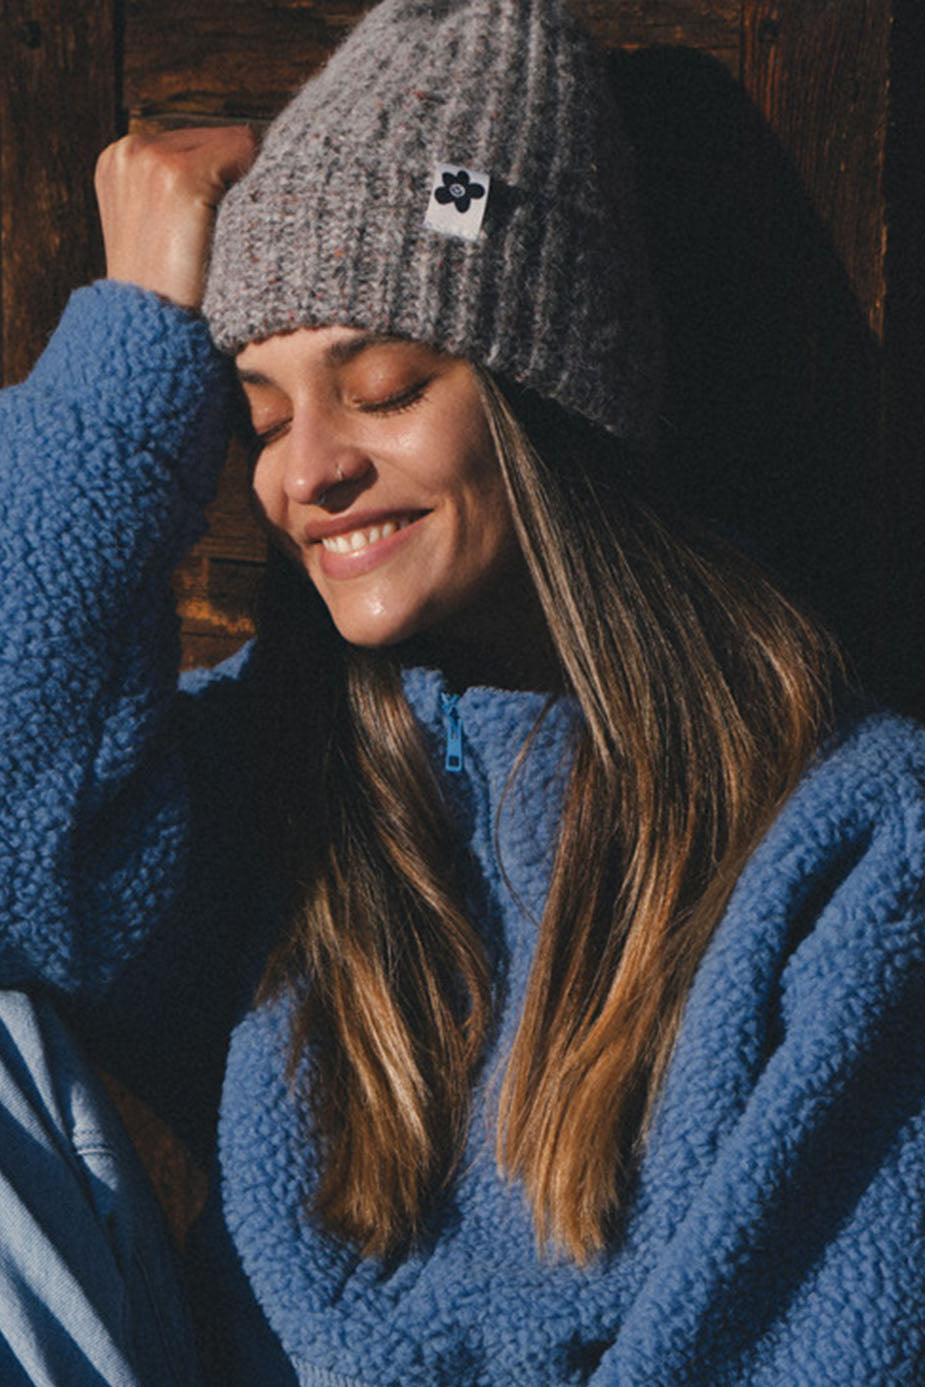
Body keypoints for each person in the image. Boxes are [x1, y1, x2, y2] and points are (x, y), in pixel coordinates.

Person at [0, 0, 923, 1382]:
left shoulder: (848, 849)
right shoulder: (294, 783)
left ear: (548, 404)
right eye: (258, 414)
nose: (305, 472)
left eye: (383, 388)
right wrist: (132, 346)